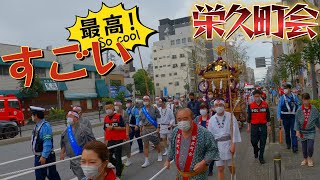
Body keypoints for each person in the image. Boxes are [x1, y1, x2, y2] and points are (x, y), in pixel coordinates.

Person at [164, 108, 219, 180]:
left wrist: (203, 162)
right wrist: (168, 160)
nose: (182, 122)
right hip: (181, 175)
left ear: (192, 118)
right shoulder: (176, 131)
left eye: (185, 118)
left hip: (198, 176)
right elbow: (172, 146)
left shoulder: (203, 133)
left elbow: (213, 149)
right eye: (179, 119)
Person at [208, 99, 241, 180]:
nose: (218, 107)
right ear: (214, 107)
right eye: (216, 105)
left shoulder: (230, 116)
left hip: (229, 143)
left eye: (220, 105)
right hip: (218, 146)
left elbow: (235, 131)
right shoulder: (212, 119)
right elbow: (210, 135)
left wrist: (233, 144)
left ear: (224, 106)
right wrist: (212, 148)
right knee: (220, 168)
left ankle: (234, 177)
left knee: (231, 166)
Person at [60, 111, 96, 179]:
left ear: (76, 118)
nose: (68, 118)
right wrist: (62, 153)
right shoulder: (66, 130)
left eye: (70, 116)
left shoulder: (83, 129)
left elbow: (93, 141)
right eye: (67, 116)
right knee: (79, 175)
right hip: (72, 158)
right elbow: (63, 142)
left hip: (83, 158)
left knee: (84, 176)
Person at [30, 106, 61, 180]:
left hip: (45, 157)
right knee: (40, 176)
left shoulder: (45, 126)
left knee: (51, 175)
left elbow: (47, 143)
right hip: (38, 156)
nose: (31, 116)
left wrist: (44, 156)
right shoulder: (37, 126)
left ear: (36, 116)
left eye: (32, 115)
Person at [294, 93, 320, 167]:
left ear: (309, 99)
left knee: (310, 146)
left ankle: (310, 158)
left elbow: (317, 119)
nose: (306, 101)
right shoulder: (299, 110)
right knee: (304, 147)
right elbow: (297, 121)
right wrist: (297, 130)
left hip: (311, 131)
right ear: (302, 100)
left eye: (307, 99)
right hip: (302, 131)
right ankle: (305, 159)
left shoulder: (314, 109)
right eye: (304, 100)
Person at [104, 102, 128, 178]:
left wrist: (114, 128)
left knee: (118, 157)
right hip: (110, 139)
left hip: (118, 139)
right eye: (106, 108)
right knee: (108, 156)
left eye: (109, 108)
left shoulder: (118, 116)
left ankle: (118, 174)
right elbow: (105, 130)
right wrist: (105, 140)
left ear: (113, 108)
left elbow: (124, 127)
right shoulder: (106, 118)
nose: (108, 110)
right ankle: (120, 166)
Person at [247, 90, 271, 164]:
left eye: (258, 96)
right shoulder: (251, 105)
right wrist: (248, 126)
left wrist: (269, 126)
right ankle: (256, 149)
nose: (256, 98)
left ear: (260, 96)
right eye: (255, 96)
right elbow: (249, 117)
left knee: (263, 142)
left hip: (263, 125)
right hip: (254, 126)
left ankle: (261, 157)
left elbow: (268, 116)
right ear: (253, 97)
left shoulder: (265, 105)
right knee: (253, 141)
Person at [139, 95, 162, 167]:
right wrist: (140, 129)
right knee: (145, 145)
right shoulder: (142, 110)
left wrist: (158, 127)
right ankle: (146, 160)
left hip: (153, 128)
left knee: (156, 143)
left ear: (149, 100)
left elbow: (159, 118)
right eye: (144, 100)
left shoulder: (154, 108)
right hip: (145, 129)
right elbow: (140, 120)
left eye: (146, 99)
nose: (145, 101)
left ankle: (159, 154)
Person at [277, 84, 300, 153]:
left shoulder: (294, 97)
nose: (285, 90)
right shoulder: (282, 98)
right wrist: (279, 117)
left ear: (290, 89)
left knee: (294, 132)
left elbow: (298, 105)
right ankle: (288, 143)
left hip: (293, 117)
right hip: (285, 118)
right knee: (287, 132)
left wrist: (298, 114)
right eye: (284, 88)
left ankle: (295, 146)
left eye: (286, 88)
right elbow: (279, 108)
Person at [194, 103, 215, 176]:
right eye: (201, 109)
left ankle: (210, 169)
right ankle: (201, 168)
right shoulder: (197, 118)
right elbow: (193, 127)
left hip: (209, 139)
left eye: (204, 108)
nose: (202, 110)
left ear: (207, 110)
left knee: (210, 155)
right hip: (199, 140)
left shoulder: (211, 118)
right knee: (200, 155)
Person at [114, 101, 131, 167]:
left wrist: (127, 134)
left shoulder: (125, 113)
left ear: (120, 106)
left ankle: (129, 159)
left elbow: (127, 124)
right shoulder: (114, 113)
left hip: (124, 131)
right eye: (114, 105)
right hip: (117, 133)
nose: (115, 106)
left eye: (116, 105)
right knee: (118, 147)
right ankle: (118, 160)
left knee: (127, 146)